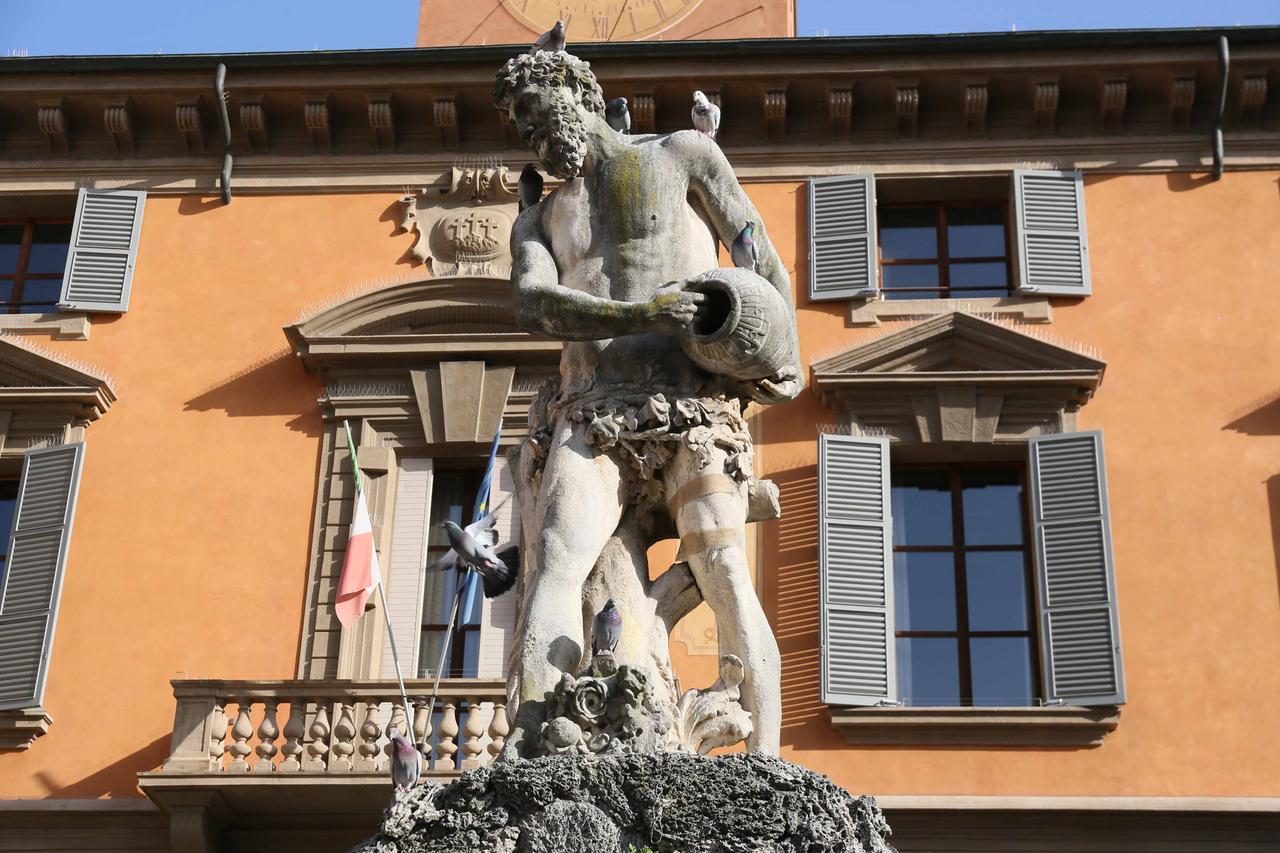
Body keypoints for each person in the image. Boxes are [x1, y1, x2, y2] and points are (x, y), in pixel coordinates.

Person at [493, 49, 802, 756]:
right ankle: (537, 731)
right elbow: (534, 302)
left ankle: (769, 765)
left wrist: (771, 356)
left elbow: (762, 261)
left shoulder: (684, 152)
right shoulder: (538, 221)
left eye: (541, 115)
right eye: (526, 130)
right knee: (557, 561)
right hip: (594, 410)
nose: (539, 140)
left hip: (693, 409)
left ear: (579, 93)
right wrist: (645, 314)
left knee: (725, 577)